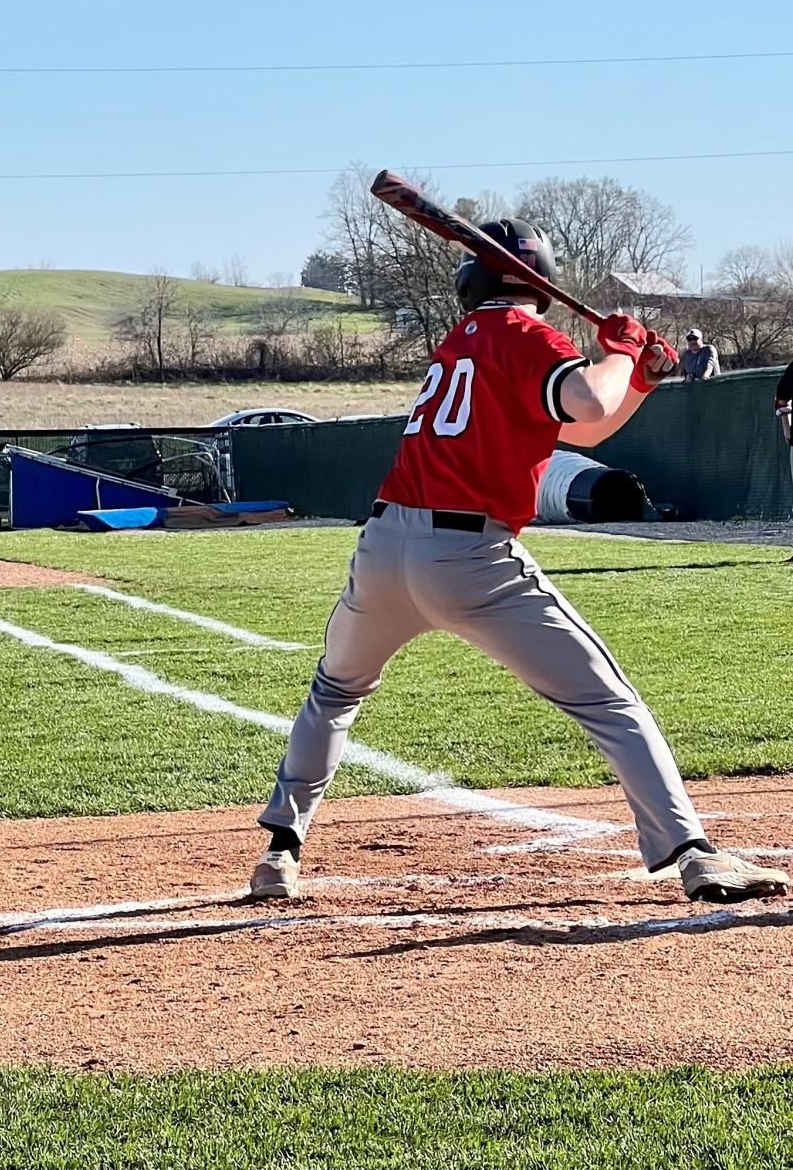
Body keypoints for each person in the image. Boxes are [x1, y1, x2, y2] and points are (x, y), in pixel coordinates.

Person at [249, 218, 789, 906]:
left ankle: (280, 853)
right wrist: (619, 350)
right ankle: (693, 853)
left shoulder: (463, 339)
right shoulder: (526, 335)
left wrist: (638, 380)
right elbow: (589, 396)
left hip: (384, 549)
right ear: (541, 278)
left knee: (335, 693)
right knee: (608, 702)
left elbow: (578, 423)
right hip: (470, 557)